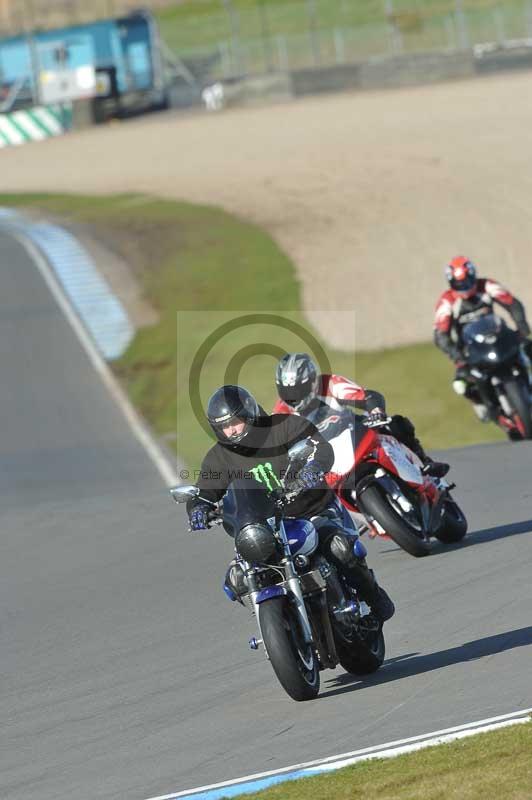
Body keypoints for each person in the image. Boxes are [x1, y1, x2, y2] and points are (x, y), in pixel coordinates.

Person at [186, 384, 395, 622]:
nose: (231, 431)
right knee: (237, 579)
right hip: (264, 526)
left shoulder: (283, 426)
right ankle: (283, 622)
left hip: (313, 512)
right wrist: (198, 508)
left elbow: (320, 448)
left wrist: (313, 468)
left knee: (340, 550)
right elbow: (204, 492)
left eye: (235, 422)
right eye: (224, 426)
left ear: (250, 414)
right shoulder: (219, 457)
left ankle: (374, 596)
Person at [273, 353, 449, 478]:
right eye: (287, 390)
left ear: (312, 381)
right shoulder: (281, 411)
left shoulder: (329, 384)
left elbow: (366, 396)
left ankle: (425, 462)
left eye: (298, 389)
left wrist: (375, 411)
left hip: (352, 430)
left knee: (396, 423)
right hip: (323, 453)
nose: (293, 396)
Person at [434, 256, 532, 420]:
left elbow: (513, 303)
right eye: (459, 284)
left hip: (499, 337)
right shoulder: (447, 301)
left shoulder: (487, 285)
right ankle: (484, 405)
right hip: (470, 349)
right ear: (451, 283)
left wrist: (522, 328)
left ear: (473, 276)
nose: (464, 287)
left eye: (467, 281)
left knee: (528, 348)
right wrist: (458, 356)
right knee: (461, 384)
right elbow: (440, 335)